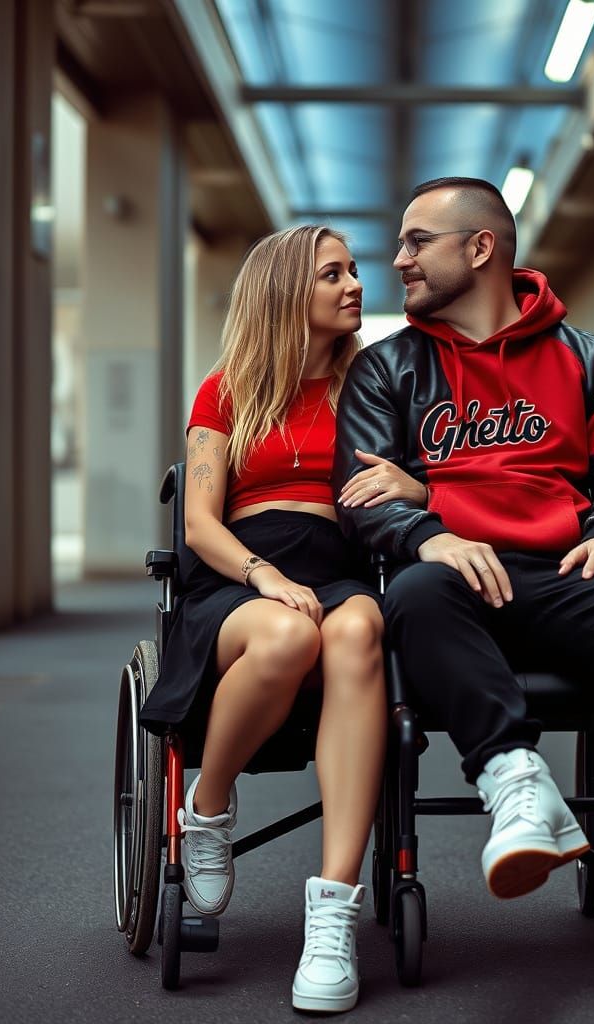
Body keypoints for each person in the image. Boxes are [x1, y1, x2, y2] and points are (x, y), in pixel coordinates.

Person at [334, 178, 594, 1010]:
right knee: (413, 591)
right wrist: (430, 533)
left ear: (480, 249)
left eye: (417, 241)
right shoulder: (386, 370)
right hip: (452, 584)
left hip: (565, 575)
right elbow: (366, 500)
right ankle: (518, 784)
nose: (398, 259)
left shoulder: (588, 359)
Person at [139, 224, 425, 1013]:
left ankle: (333, 912)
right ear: (285, 291)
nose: (356, 284)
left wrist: (415, 490)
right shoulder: (225, 389)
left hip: (337, 568)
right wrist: (263, 576)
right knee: (289, 630)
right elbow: (200, 521)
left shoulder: (372, 388)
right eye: (332, 273)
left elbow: (418, 486)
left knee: (359, 627)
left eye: (354, 271)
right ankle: (209, 804)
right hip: (237, 577)